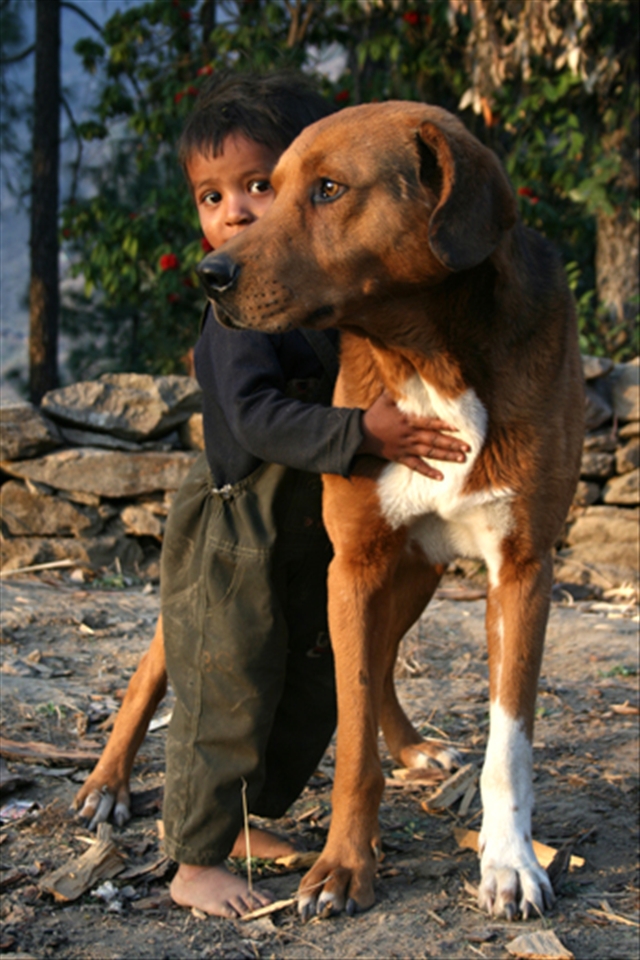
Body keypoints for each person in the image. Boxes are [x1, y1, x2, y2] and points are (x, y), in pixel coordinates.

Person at [157, 70, 470, 919]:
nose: (236, 212)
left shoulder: (318, 300)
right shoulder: (236, 317)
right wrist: (364, 435)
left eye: (265, 186)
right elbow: (259, 421)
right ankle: (192, 858)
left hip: (302, 533)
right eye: (211, 195)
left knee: (305, 695)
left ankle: (247, 820)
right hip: (237, 530)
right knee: (226, 692)